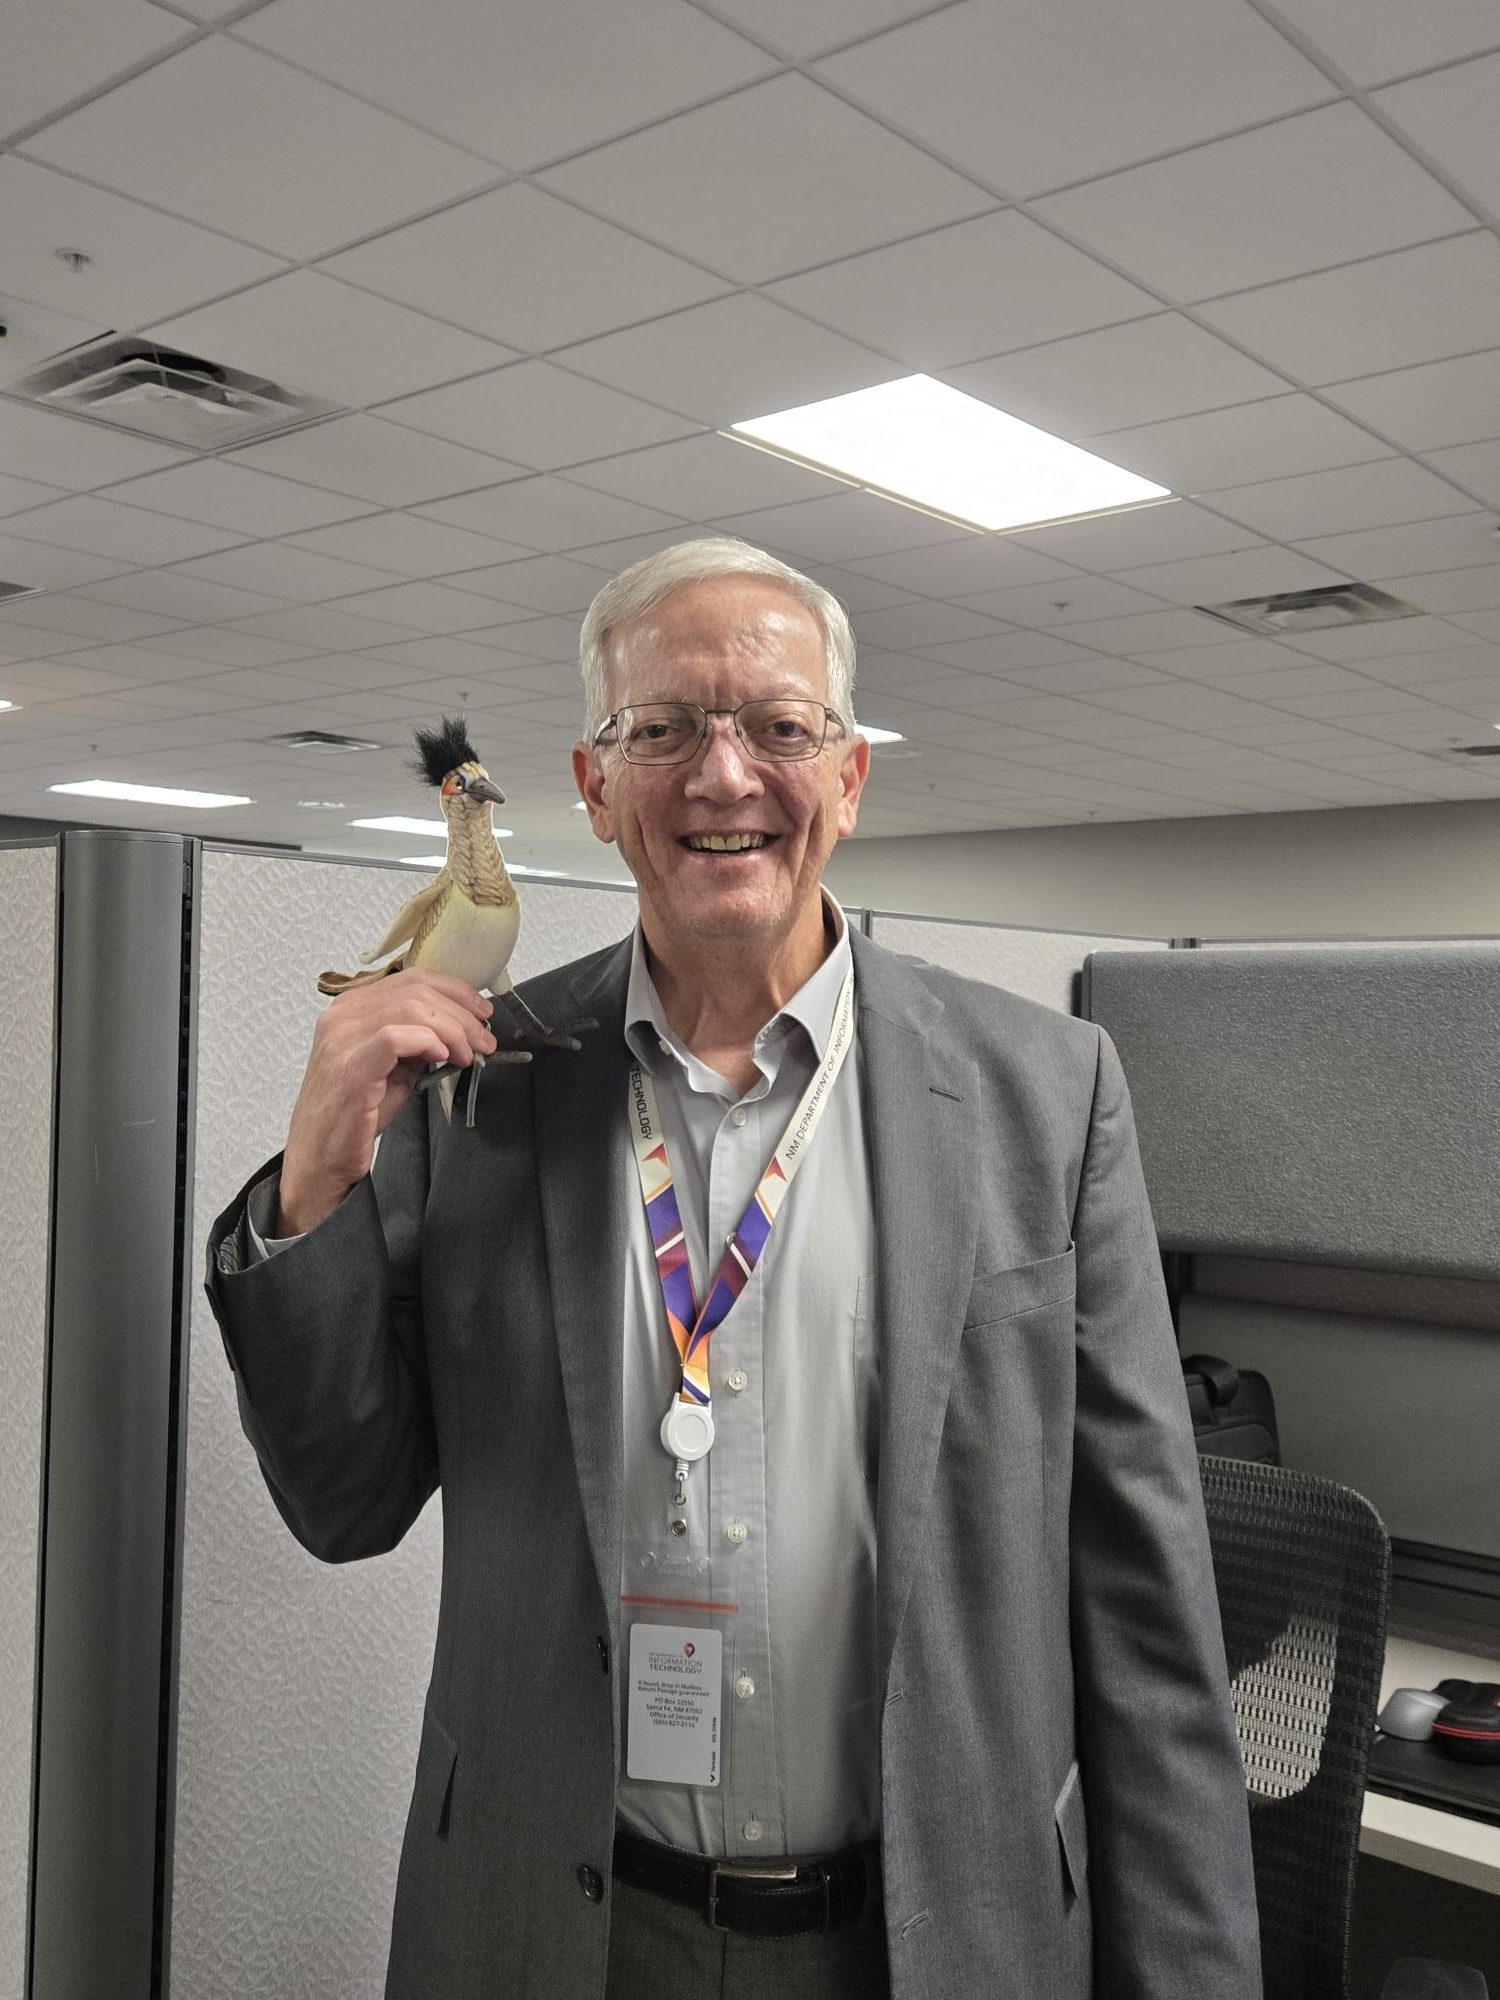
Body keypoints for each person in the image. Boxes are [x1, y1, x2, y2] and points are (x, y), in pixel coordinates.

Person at [205, 536, 1262, 2000]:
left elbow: (1149, 1622)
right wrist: (316, 1178)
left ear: (847, 775)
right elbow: (342, 1501)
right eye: (664, 730)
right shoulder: (484, 1086)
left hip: (932, 1931)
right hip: (557, 1925)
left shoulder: (1044, 1093)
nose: (722, 776)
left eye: (778, 726)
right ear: (592, 782)